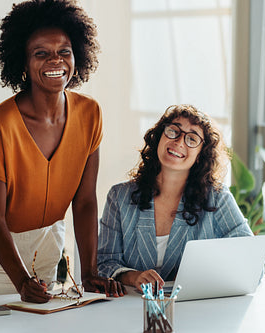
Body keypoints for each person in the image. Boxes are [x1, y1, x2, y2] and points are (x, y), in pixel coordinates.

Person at [0, 0, 124, 303]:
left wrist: (90, 273)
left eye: (64, 52)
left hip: (45, 241)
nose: (55, 61)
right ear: (22, 62)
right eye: (40, 53)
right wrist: (20, 281)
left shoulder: (89, 114)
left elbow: (84, 203)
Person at [97, 104, 253, 291]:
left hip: (195, 309)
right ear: (159, 137)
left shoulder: (218, 198)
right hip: (131, 307)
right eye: (173, 131)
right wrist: (134, 277)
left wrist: (199, 275)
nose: (179, 142)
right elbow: (104, 263)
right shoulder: (119, 197)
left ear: (200, 154)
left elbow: (250, 262)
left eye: (192, 138)